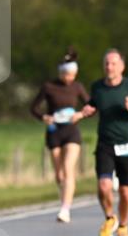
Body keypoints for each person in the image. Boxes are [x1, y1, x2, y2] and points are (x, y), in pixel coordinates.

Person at [80, 48, 128, 236]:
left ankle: (123, 227)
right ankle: (110, 218)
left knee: (125, 191)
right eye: (107, 64)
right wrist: (88, 110)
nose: (109, 67)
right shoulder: (98, 87)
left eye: (113, 63)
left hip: (127, 143)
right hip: (105, 143)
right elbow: (93, 105)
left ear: (122, 66)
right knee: (104, 186)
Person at [30, 48, 90, 223]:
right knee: (59, 174)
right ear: (61, 73)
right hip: (54, 131)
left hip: (71, 131)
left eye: (73, 75)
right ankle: (63, 193)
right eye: (67, 74)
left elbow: (91, 106)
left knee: (68, 168)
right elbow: (33, 107)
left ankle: (65, 209)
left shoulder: (77, 87)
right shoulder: (49, 87)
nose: (70, 78)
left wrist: (80, 114)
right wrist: (44, 117)